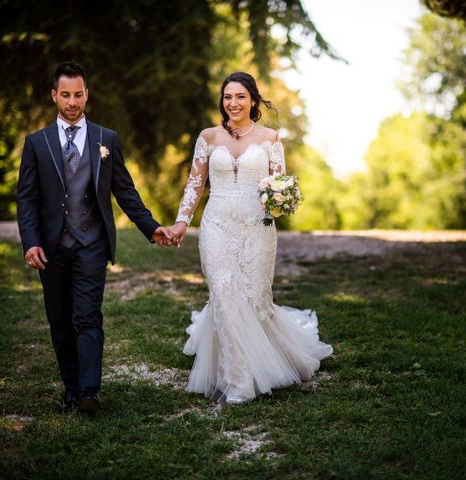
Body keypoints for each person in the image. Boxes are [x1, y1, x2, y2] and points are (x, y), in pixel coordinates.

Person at [17, 62, 172, 415]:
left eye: (79, 94)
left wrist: (151, 227)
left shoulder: (107, 139)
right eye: (66, 95)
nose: (73, 102)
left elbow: (125, 192)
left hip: (91, 243)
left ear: (87, 94)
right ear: (54, 95)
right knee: (60, 320)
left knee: (87, 316)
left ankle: (88, 392)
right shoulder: (36, 143)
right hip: (51, 247)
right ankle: (70, 388)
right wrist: (31, 242)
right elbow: (26, 197)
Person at [169, 72, 333, 404]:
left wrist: (278, 203)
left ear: (253, 100)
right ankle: (238, 380)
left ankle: (276, 359)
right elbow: (195, 185)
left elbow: (279, 185)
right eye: (228, 97)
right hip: (216, 225)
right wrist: (182, 222)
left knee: (255, 300)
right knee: (224, 293)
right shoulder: (208, 137)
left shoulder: (270, 138)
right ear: (222, 101)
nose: (233, 103)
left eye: (240, 96)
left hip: (256, 228)